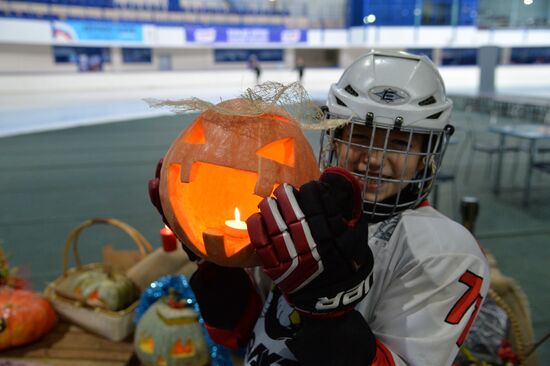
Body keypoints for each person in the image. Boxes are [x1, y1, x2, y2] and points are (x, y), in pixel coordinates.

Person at [149, 50, 490, 365]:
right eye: (358, 136)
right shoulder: (297, 209)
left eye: (399, 143)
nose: (372, 158)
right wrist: (218, 264)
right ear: (335, 137)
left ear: (427, 154)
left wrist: (328, 309)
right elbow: (244, 331)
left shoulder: (444, 251)